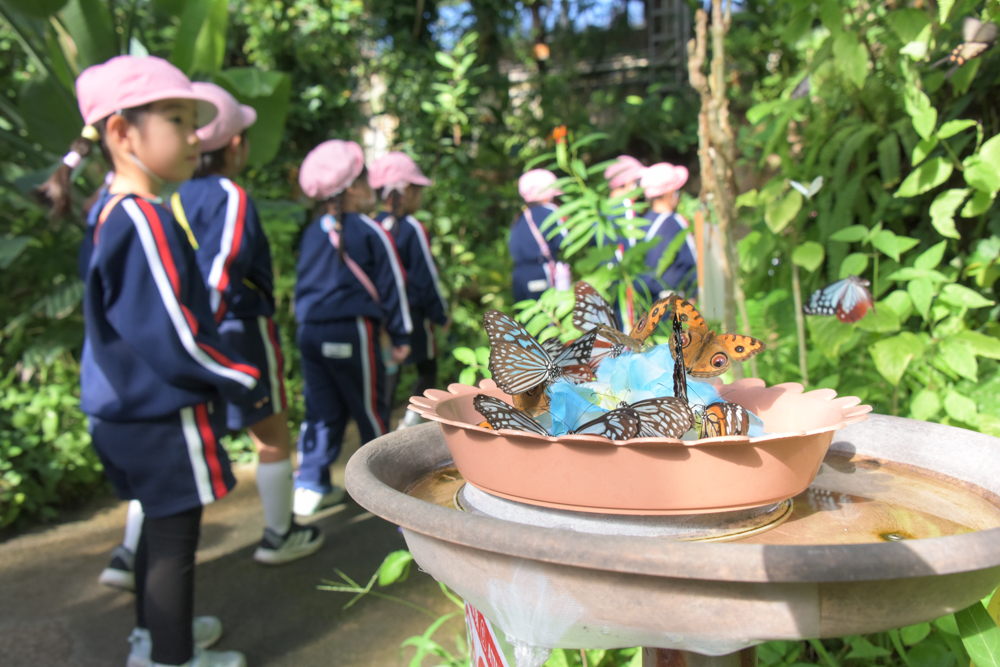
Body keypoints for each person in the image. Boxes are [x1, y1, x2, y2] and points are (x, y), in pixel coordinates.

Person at [41, 55, 258, 667]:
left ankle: (154, 638)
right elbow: (174, 332)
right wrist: (239, 375)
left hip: (120, 406)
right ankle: (171, 657)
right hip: (161, 411)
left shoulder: (106, 210)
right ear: (121, 132)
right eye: (177, 119)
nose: (193, 136)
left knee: (157, 524)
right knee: (173, 535)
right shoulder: (142, 216)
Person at [293, 140, 412, 516]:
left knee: (319, 410)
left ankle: (309, 485)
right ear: (354, 189)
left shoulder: (312, 231)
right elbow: (393, 284)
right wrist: (401, 334)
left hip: (310, 332)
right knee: (370, 408)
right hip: (353, 332)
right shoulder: (369, 230)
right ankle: (382, 486)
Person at [368, 152, 449, 429]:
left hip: (381, 315)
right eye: (418, 190)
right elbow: (426, 277)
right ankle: (410, 424)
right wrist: (440, 314)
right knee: (427, 367)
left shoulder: (373, 226)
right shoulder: (412, 227)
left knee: (389, 369)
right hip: (413, 313)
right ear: (406, 192)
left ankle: (381, 428)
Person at [635, 162, 697, 299]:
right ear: (670, 192)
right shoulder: (677, 223)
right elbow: (692, 266)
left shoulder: (640, 223)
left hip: (644, 301)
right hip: (670, 303)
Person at [510, 169, 568, 303]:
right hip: (542, 272)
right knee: (549, 312)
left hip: (519, 275)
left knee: (526, 313)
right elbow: (564, 242)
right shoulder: (551, 211)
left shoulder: (520, 216)